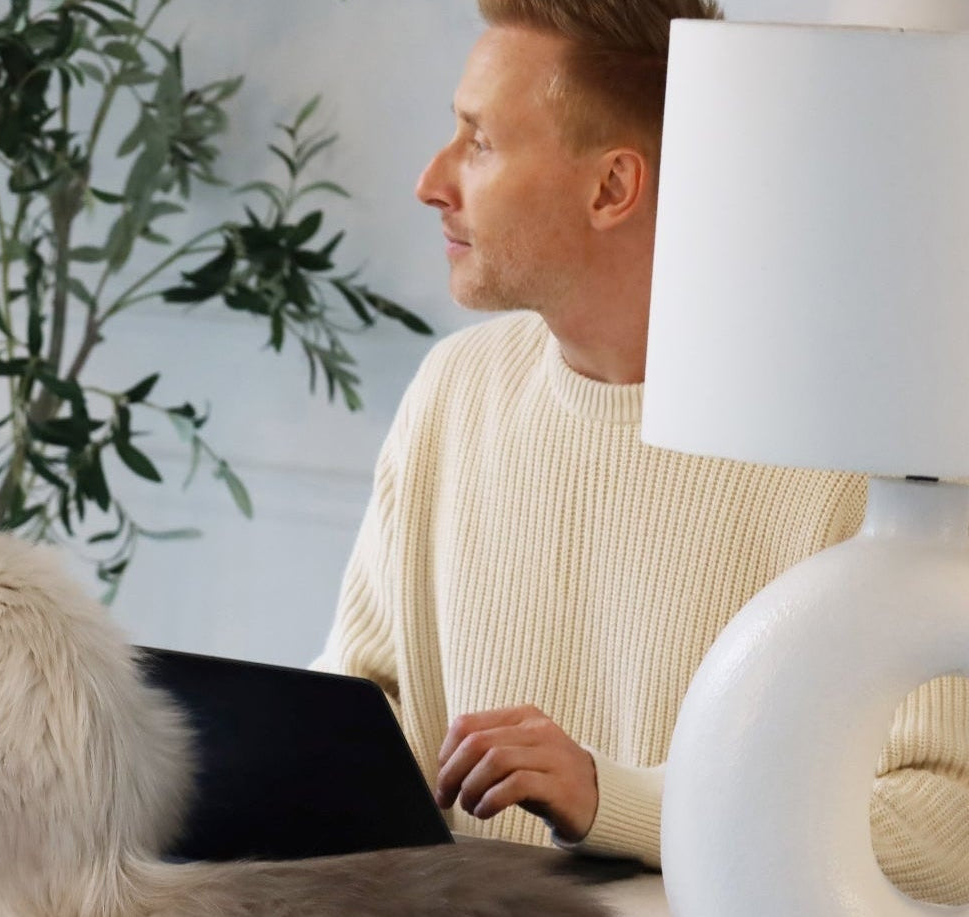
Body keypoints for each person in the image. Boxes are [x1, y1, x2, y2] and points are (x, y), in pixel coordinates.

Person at [313, 0, 969, 903]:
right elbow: (356, 712)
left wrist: (610, 796)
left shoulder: (852, 453)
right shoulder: (453, 389)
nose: (431, 181)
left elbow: (944, 825)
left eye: (481, 142)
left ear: (613, 188)